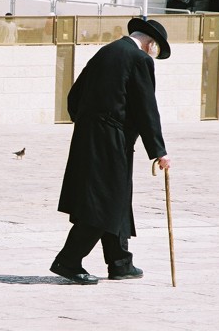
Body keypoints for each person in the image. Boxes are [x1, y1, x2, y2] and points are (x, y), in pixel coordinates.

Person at [50, 17, 171, 285]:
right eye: (156, 51)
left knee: (115, 197)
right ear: (151, 44)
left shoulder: (107, 51)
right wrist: (158, 151)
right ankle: (68, 260)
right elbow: (145, 107)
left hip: (89, 135)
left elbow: (74, 95)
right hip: (110, 138)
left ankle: (120, 262)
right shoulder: (140, 59)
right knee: (104, 201)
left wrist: (87, 123)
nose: (154, 56)